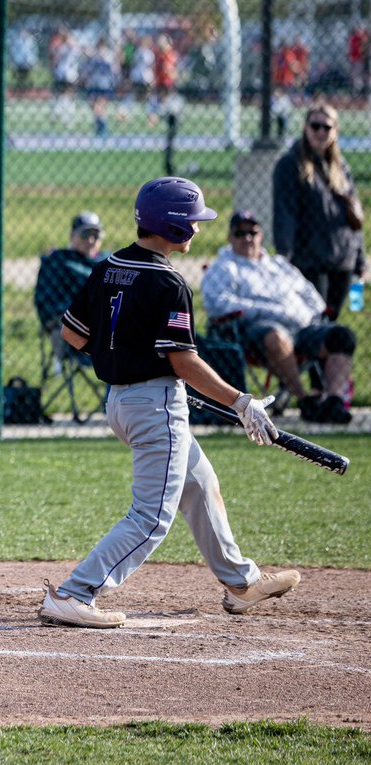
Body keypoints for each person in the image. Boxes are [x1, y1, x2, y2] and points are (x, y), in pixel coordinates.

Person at [39, 177, 301, 629]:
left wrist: (124, 357)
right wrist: (242, 401)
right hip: (153, 402)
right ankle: (76, 592)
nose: (198, 229)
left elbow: (73, 334)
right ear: (173, 225)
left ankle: (241, 582)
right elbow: (184, 361)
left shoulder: (105, 267)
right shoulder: (169, 282)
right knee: (152, 516)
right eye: (192, 221)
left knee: (199, 483)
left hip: (122, 402)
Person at [202, 211, 355, 425]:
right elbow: (218, 304)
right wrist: (267, 309)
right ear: (230, 237)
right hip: (255, 331)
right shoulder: (224, 267)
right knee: (276, 336)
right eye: (240, 233)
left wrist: (308, 314)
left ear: (261, 235)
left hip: (302, 327)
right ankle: (305, 401)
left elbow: (311, 296)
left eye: (252, 232)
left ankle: (334, 401)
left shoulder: (279, 265)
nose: (247, 238)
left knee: (342, 336)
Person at [273, 104, 366, 319]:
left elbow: (354, 217)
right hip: (310, 259)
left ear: (335, 132)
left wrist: (360, 259)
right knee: (313, 319)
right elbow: (284, 214)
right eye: (315, 126)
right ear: (305, 128)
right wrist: (284, 257)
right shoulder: (290, 165)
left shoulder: (340, 167)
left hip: (343, 257)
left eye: (327, 127)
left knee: (332, 320)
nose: (321, 132)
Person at [34, 211, 105, 340]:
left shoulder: (107, 261)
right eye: (85, 234)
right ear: (72, 236)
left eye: (95, 234)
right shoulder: (58, 262)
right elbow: (48, 305)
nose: (90, 240)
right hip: (70, 322)